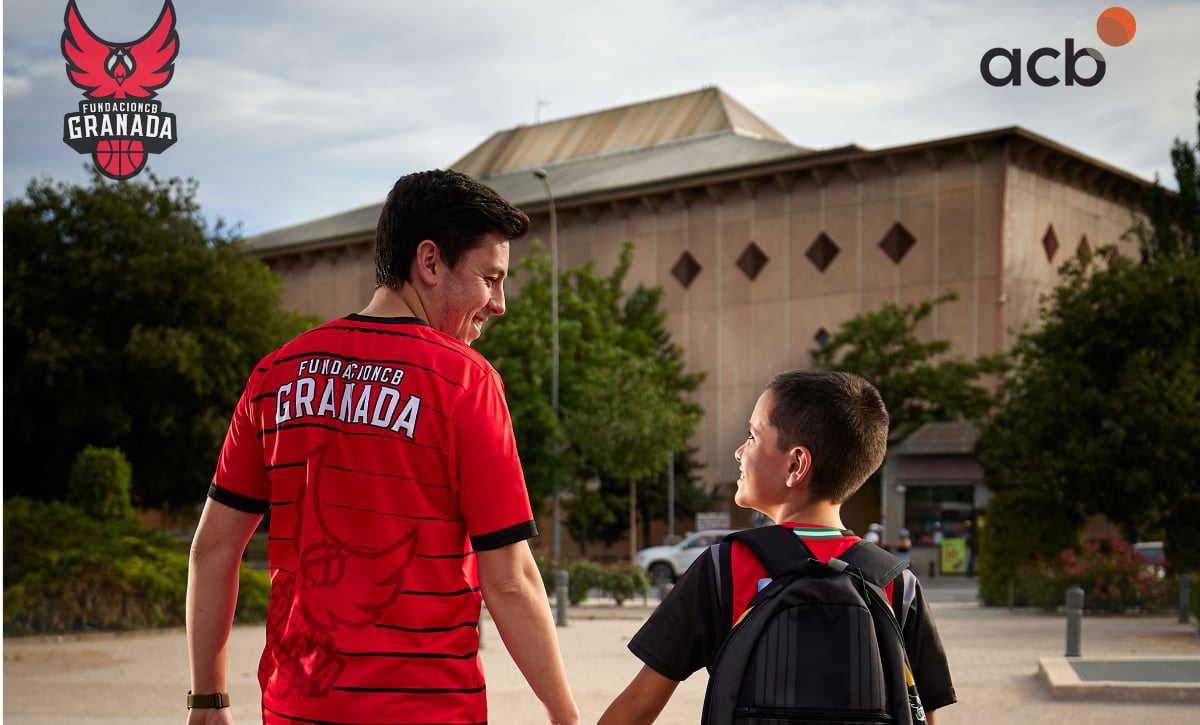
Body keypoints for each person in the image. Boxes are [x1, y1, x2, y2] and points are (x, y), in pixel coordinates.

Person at [186, 169, 579, 725]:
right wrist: (565, 716)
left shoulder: (275, 375)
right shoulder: (464, 383)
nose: (499, 304)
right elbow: (510, 580)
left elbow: (212, 548)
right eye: (490, 279)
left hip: (297, 709)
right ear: (430, 262)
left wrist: (208, 700)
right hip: (427, 710)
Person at [598, 370, 956, 724]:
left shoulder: (726, 568)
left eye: (752, 437)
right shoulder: (897, 583)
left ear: (796, 464)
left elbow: (639, 703)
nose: (739, 452)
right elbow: (923, 714)